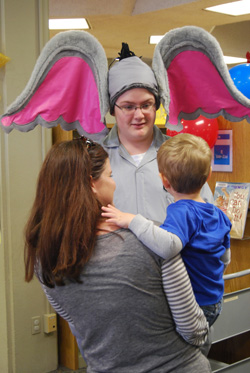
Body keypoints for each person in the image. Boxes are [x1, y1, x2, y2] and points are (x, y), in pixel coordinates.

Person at [24, 138, 211, 372]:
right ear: (92, 184)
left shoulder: (44, 257)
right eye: (110, 176)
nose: (114, 184)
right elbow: (193, 330)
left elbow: (75, 321)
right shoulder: (152, 240)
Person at [102, 133, 232, 328]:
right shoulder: (217, 213)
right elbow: (225, 258)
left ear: (165, 182)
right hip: (215, 299)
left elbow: (169, 246)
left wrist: (133, 221)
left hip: (195, 303)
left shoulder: (181, 211)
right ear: (209, 175)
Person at [100, 43, 214, 224]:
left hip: (176, 253)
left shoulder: (183, 154)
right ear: (112, 110)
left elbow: (208, 219)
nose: (139, 115)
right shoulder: (95, 159)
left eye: (146, 105)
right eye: (129, 107)